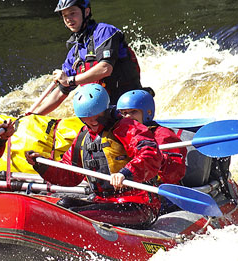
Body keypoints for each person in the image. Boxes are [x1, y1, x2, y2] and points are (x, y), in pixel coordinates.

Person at [25, 83, 163, 228]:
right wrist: (41, 165)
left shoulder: (126, 126)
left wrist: (126, 173)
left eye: (96, 115)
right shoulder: (84, 135)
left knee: (75, 216)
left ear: (104, 110)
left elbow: (149, 153)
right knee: (63, 204)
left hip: (138, 204)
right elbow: (70, 173)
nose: (92, 121)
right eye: (86, 117)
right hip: (104, 202)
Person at [31, 0, 153, 116]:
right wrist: (33, 115)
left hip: (129, 109)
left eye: (73, 13)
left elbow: (105, 69)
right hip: (102, 113)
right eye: (64, 15)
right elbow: (60, 92)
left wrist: (70, 80)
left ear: (86, 12)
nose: (68, 19)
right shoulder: (74, 53)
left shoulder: (105, 32)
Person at [116, 90, 186, 185]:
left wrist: (154, 161)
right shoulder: (122, 132)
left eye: (133, 112)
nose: (128, 117)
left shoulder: (163, 135)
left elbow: (174, 172)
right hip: (134, 183)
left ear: (148, 112)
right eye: (124, 113)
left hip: (160, 187)